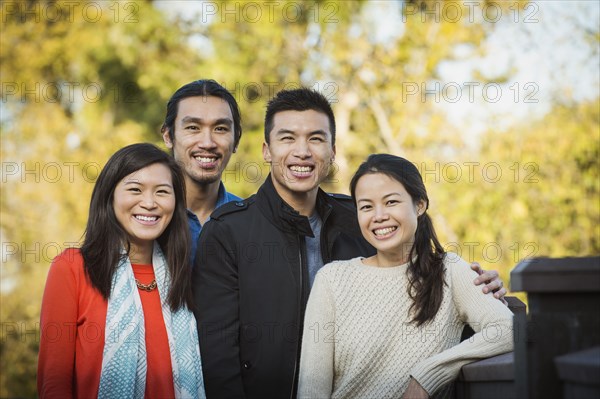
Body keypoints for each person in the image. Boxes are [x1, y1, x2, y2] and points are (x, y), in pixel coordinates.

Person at [192, 88, 507, 399]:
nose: (302, 151)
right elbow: (218, 356)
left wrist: (479, 287)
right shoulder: (229, 232)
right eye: (287, 138)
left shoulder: (360, 219)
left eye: (316, 139)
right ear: (266, 150)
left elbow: (411, 289)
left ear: (332, 150)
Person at [297, 154, 514, 399]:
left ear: (419, 205)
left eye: (391, 202)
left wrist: (428, 374)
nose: (378, 216)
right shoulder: (332, 279)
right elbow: (312, 388)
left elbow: (509, 329)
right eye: (366, 206)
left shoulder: (449, 271)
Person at [38, 143, 205, 398]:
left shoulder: (182, 274)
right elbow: (54, 384)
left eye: (162, 192)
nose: (149, 203)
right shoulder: (72, 268)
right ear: (110, 196)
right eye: (135, 190)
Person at [161, 80, 242, 264]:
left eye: (220, 129)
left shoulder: (252, 222)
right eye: (193, 128)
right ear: (168, 136)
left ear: (236, 140)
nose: (207, 143)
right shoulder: (146, 215)